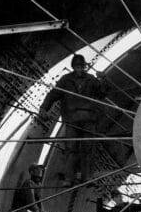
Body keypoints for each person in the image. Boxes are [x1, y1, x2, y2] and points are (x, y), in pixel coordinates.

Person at [38, 55, 113, 183]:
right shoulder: (65, 80)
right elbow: (53, 94)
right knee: (71, 149)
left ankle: (87, 177)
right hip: (72, 119)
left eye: (81, 67)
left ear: (84, 67)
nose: (79, 69)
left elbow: (102, 93)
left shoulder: (91, 80)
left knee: (88, 149)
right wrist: (44, 108)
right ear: (73, 67)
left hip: (88, 119)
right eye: (77, 67)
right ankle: (69, 178)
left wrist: (104, 80)